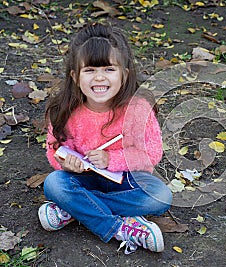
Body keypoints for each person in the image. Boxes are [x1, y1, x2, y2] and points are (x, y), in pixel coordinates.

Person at [38, 23, 172, 254]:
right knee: (53, 184)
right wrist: (66, 162)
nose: (99, 78)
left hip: (127, 181)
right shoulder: (66, 110)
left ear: (124, 74)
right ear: (75, 76)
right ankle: (121, 228)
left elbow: (152, 153)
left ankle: (73, 209)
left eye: (109, 69)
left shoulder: (138, 109)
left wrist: (112, 159)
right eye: (89, 70)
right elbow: (56, 149)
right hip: (83, 178)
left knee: (161, 196)